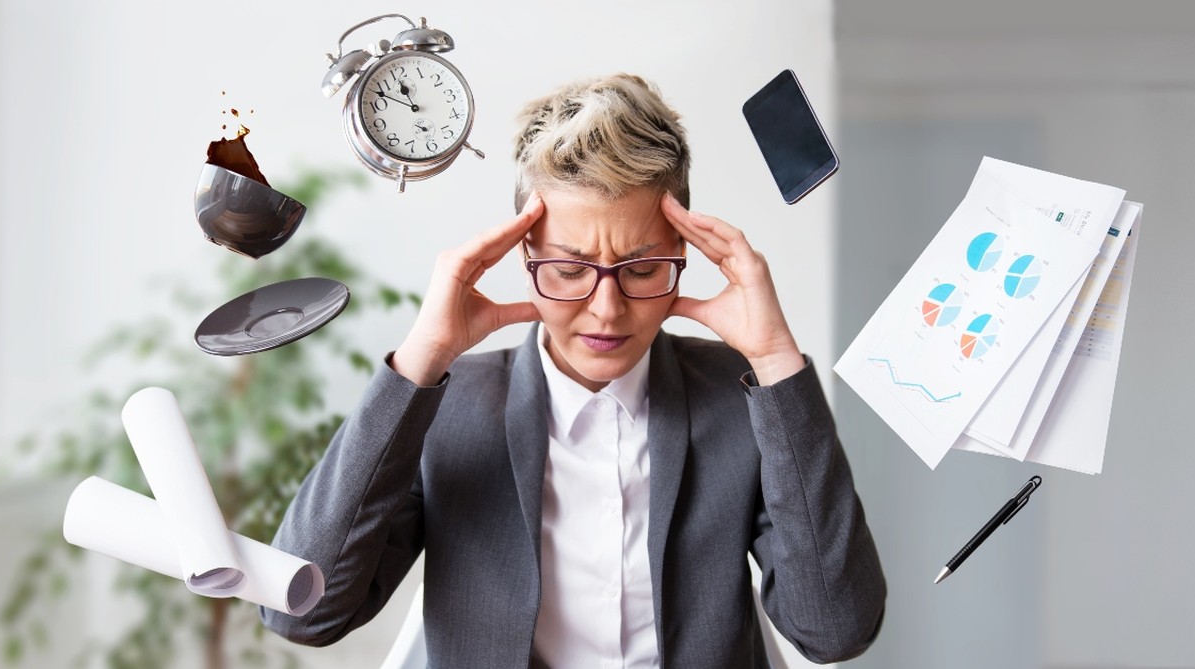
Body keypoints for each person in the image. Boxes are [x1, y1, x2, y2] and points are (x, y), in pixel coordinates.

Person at [262, 73, 886, 668]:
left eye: (642, 270)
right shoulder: (450, 406)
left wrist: (777, 360)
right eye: (568, 269)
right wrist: (418, 363)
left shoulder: (739, 396)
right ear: (523, 254)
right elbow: (302, 613)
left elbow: (834, 632)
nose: (607, 310)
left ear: (683, 254)